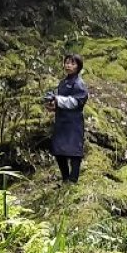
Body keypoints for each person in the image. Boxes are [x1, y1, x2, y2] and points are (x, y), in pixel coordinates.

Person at [46, 53, 88, 184]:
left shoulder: (79, 83)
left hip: (74, 122)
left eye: (72, 63)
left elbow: (77, 101)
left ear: (78, 67)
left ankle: (73, 179)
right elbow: (59, 100)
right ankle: (65, 179)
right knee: (59, 150)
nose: (69, 65)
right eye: (67, 62)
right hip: (61, 121)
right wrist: (52, 105)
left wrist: (57, 100)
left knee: (74, 152)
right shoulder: (63, 82)